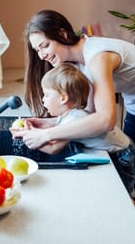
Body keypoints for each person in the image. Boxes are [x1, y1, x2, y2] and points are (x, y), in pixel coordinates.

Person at [17, 9, 135, 149]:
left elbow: (106, 120)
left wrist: (47, 134)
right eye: (38, 50)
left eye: (45, 46)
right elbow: (89, 114)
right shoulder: (80, 64)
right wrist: (50, 123)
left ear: (63, 35)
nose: (42, 56)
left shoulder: (98, 59)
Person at [20, 63, 135, 197]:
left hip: (122, 155)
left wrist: (26, 136)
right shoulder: (71, 114)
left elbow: (53, 148)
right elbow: (57, 127)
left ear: (63, 98)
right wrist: (39, 125)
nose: (43, 99)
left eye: (46, 94)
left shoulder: (74, 119)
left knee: (121, 194)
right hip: (124, 146)